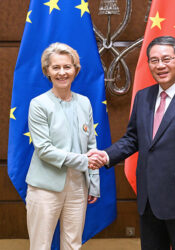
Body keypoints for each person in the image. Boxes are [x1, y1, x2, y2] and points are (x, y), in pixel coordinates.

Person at [89, 36, 175, 250]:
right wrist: (106, 156)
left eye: (166, 59)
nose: (160, 65)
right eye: (154, 60)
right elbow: (133, 138)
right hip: (149, 199)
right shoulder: (143, 97)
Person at [25, 42, 103, 250]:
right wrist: (84, 161)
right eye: (56, 67)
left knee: (73, 244)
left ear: (76, 70)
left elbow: (91, 145)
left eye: (67, 67)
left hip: (78, 186)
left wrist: (93, 183)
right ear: (47, 71)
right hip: (45, 187)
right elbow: (44, 150)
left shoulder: (84, 102)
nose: (62, 72)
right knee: (40, 245)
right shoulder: (39, 104)